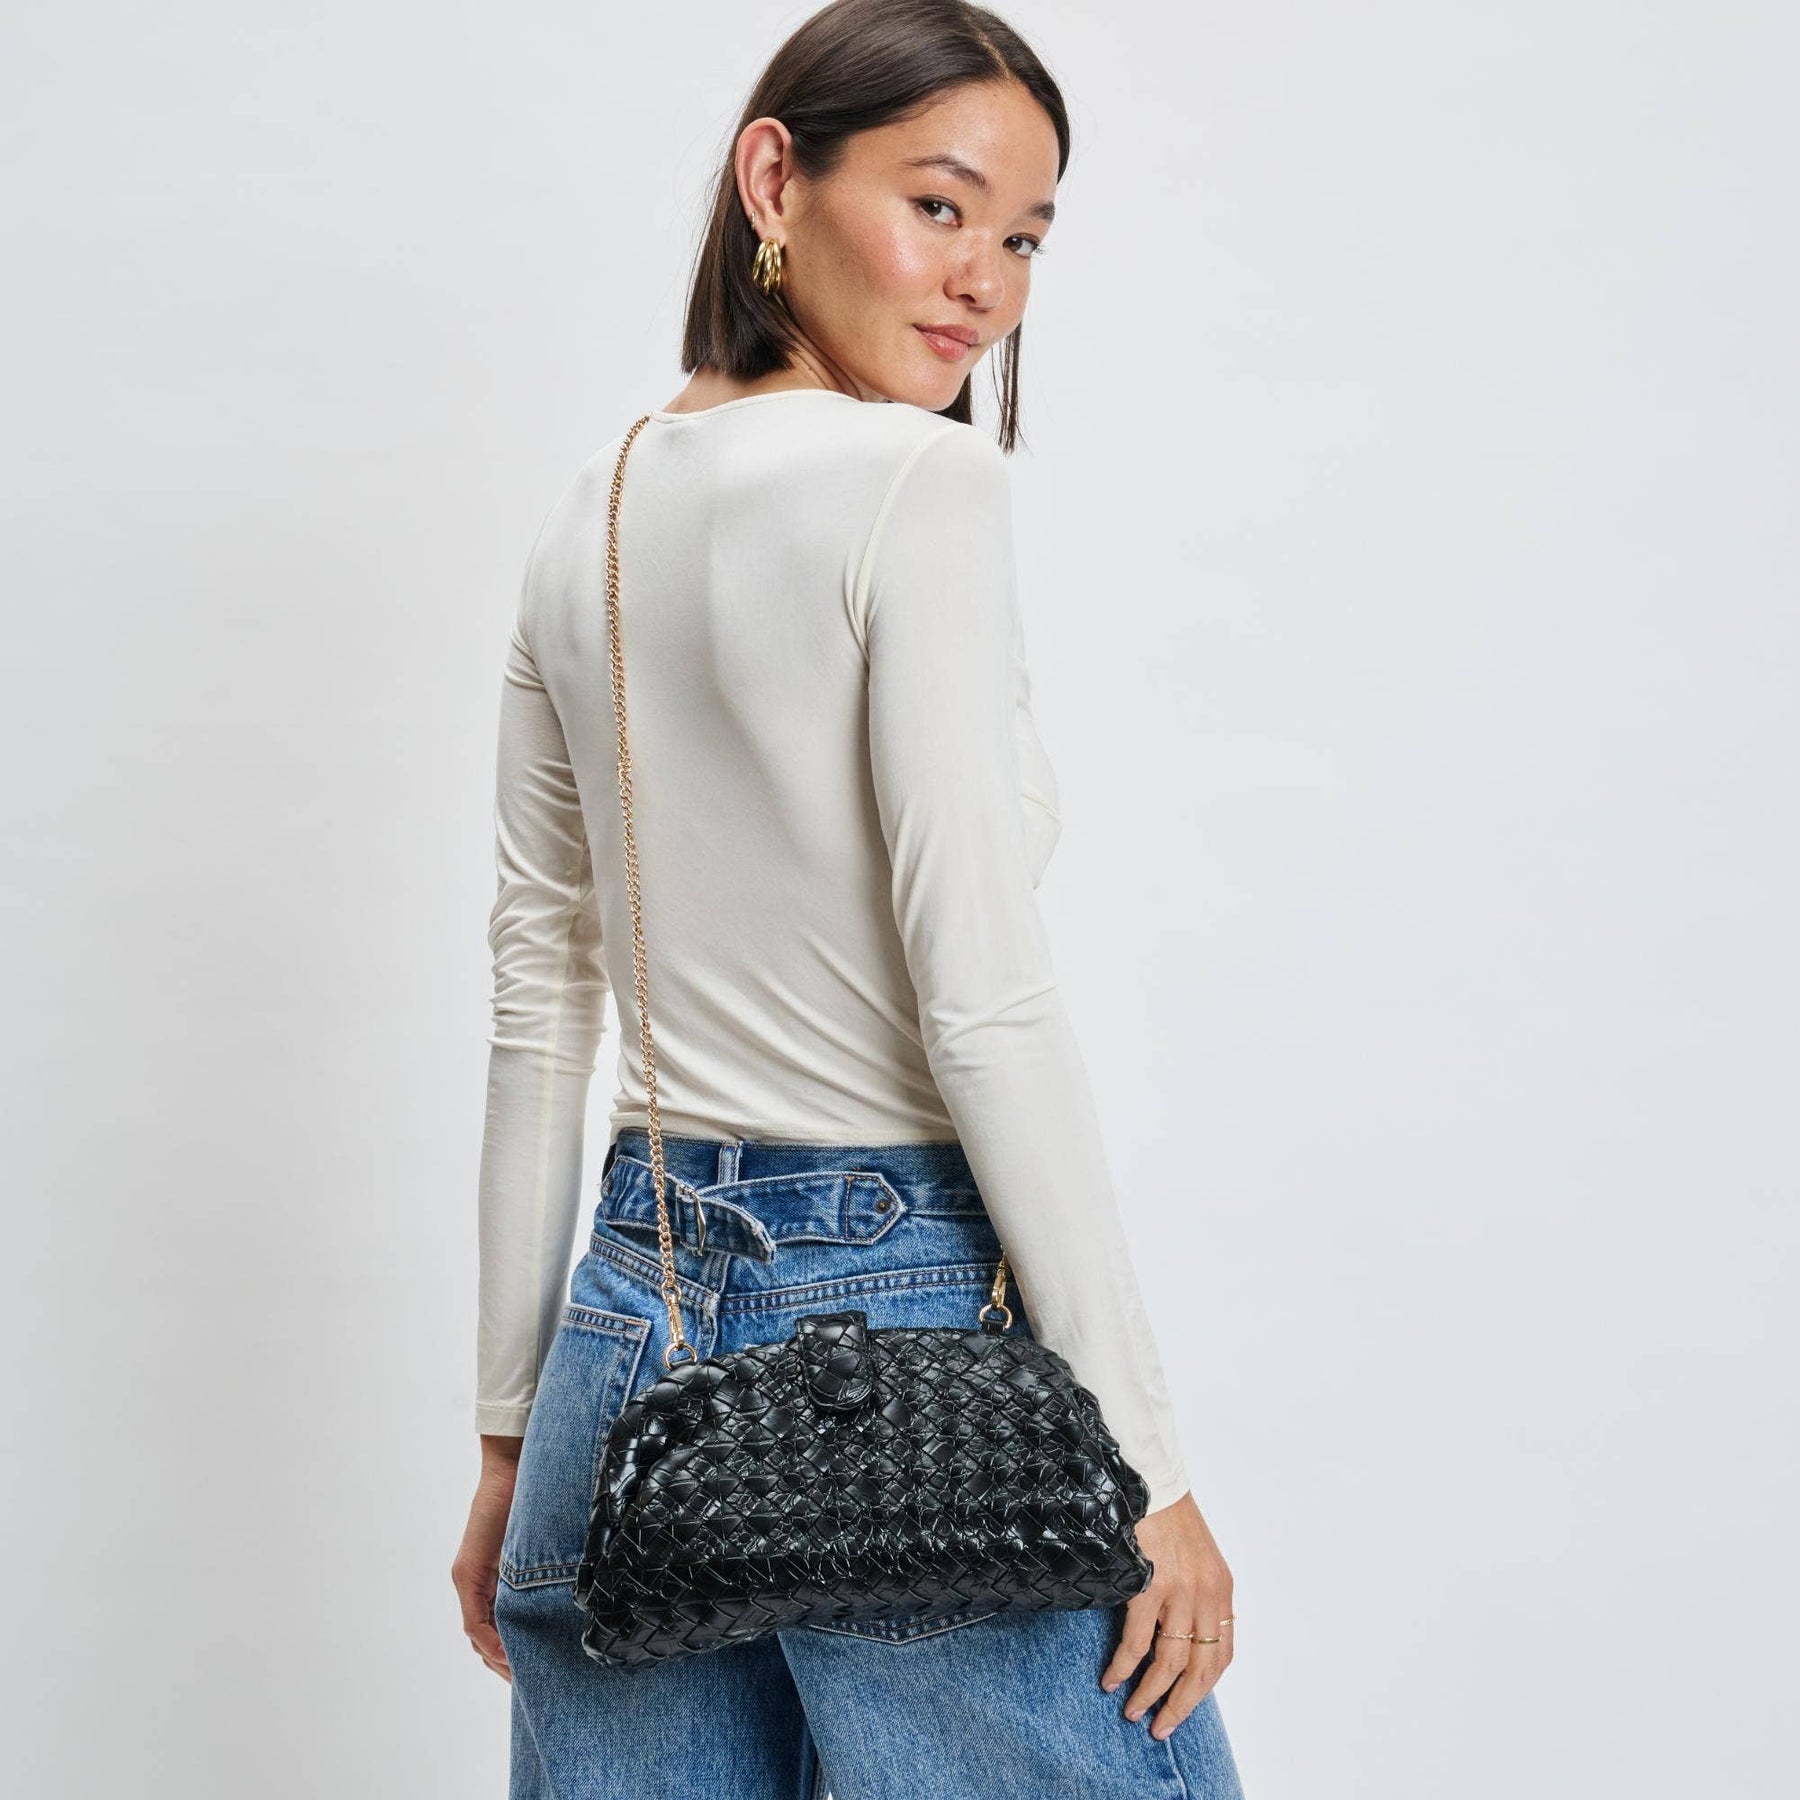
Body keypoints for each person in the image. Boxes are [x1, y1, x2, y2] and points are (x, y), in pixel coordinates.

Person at [449, 2, 1244, 1793]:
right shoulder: (916, 485)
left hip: (620, 1350)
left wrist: (511, 1440)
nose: (984, 284)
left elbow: (537, 1005)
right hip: (901, 1342)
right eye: (939, 205)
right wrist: (1147, 1466)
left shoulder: (584, 516)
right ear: (773, 182)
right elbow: (986, 999)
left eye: (1025, 237)